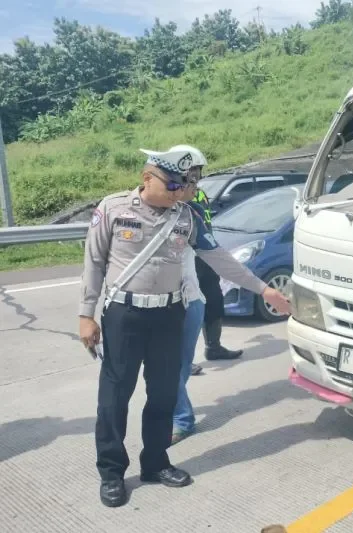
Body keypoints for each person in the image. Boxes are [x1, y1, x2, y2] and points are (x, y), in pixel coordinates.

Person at [78, 146, 291, 508]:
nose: (180, 192)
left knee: (163, 393)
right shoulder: (113, 209)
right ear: (148, 178)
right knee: (114, 397)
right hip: (124, 316)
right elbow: (94, 261)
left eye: (186, 185)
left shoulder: (187, 217)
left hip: (168, 315)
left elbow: (220, 258)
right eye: (174, 184)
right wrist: (86, 314)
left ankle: (156, 462)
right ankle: (112, 471)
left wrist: (264, 288)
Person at [171, 145, 245, 365]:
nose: (195, 175)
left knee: (213, 300)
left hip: (205, 257)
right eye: (191, 170)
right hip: (182, 260)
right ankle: (181, 359)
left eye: (198, 170)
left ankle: (214, 346)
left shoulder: (200, 194)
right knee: (183, 309)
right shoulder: (173, 193)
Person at [171, 173, 207, 444]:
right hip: (157, 305)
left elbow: (214, 252)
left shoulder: (192, 214)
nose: (196, 187)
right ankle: (181, 416)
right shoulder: (141, 214)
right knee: (165, 369)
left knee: (178, 367)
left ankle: (182, 419)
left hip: (191, 301)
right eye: (191, 182)